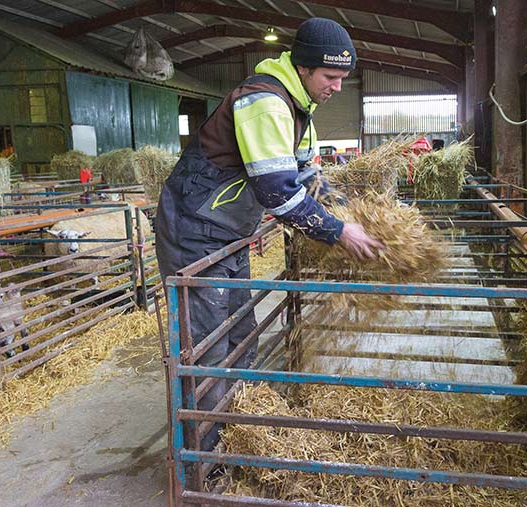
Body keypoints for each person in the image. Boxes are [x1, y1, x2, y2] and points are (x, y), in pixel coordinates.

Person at [155, 17, 383, 451]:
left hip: (225, 230)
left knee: (240, 334)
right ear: (304, 68)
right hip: (195, 229)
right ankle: (202, 459)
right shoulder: (265, 101)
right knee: (207, 346)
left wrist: (351, 213)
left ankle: (234, 430)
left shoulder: (300, 110)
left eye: (342, 78)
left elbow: (306, 177)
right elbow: (277, 191)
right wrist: (338, 232)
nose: (337, 86)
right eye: (330, 76)